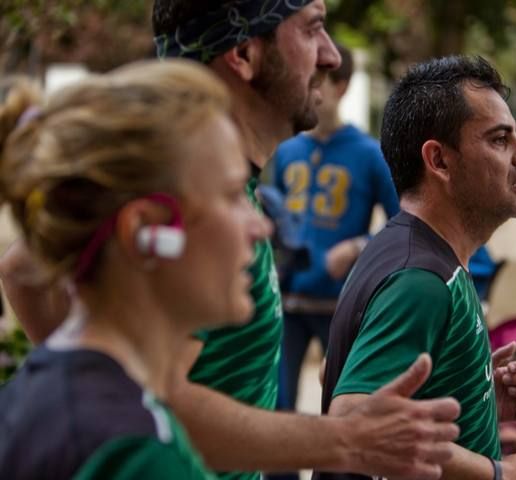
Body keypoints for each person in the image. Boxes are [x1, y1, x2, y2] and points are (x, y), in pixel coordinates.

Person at [0, 1, 462, 479]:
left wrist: (97, 382)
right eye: (312, 29)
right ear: (244, 53)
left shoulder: (69, 406)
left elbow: (24, 272)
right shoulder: (133, 447)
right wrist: (346, 440)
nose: (331, 56)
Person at [0, 59, 271, 479]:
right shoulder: (137, 457)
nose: (260, 226)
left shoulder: (46, 398)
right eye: (233, 194)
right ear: (146, 231)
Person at [317, 55, 516, 480]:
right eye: (500, 139)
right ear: (439, 161)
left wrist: (472, 397)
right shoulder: (421, 279)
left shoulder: (404, 250)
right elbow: (353, 420)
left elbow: (340, 371)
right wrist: (500, 474)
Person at [272, 43, 399, 412]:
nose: (310, 89)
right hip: (288, 301)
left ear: (341, 86)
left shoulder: (371, 153)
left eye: (319, 81)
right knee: (278, 405)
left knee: (342, 405)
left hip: (341, 306)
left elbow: (402, 226)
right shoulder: (286, 149)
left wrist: (357, 247)